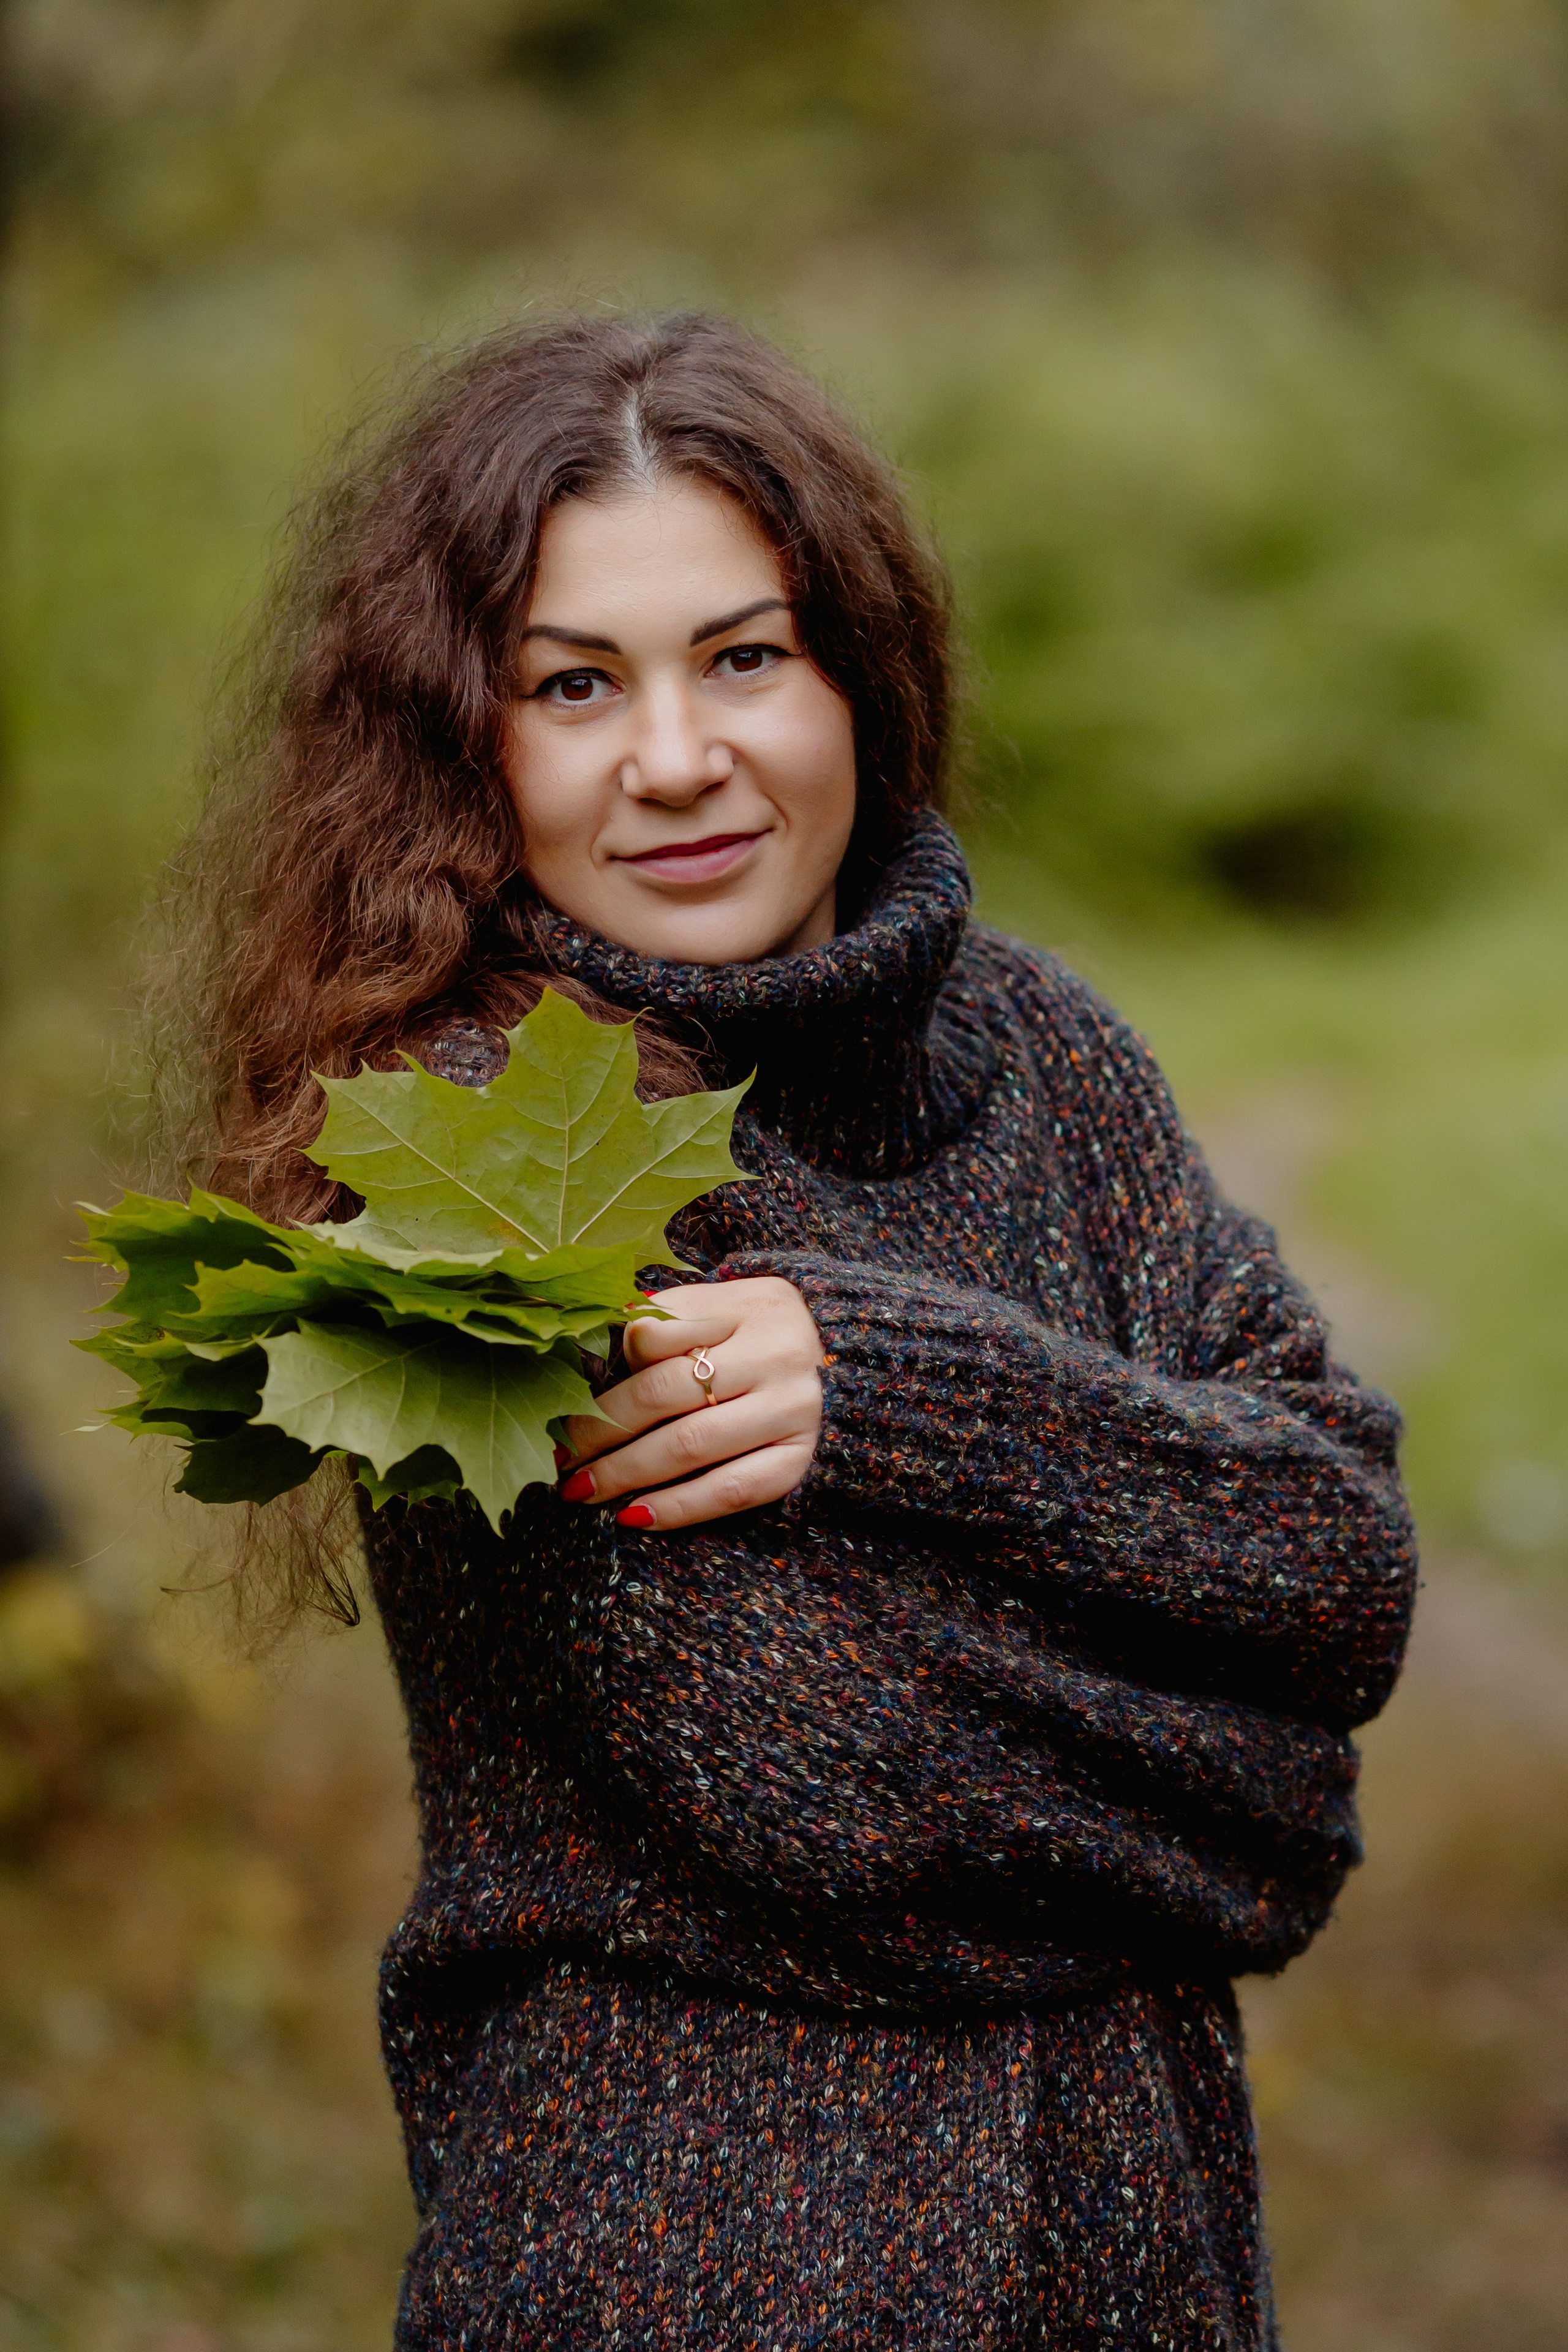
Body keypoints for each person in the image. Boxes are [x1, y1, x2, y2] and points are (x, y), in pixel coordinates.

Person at [178, 314, 1417, 2348]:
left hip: (1139, 2245)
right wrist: (1262, 1801)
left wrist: (907, 1392)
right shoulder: (478, 1161)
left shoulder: (1050, 1057)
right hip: (712, 2258)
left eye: (743, 656)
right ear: (465, 744)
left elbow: (1344, 1567)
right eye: (574, 687)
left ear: (863, 671)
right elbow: (840, 1795)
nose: (676, 758)